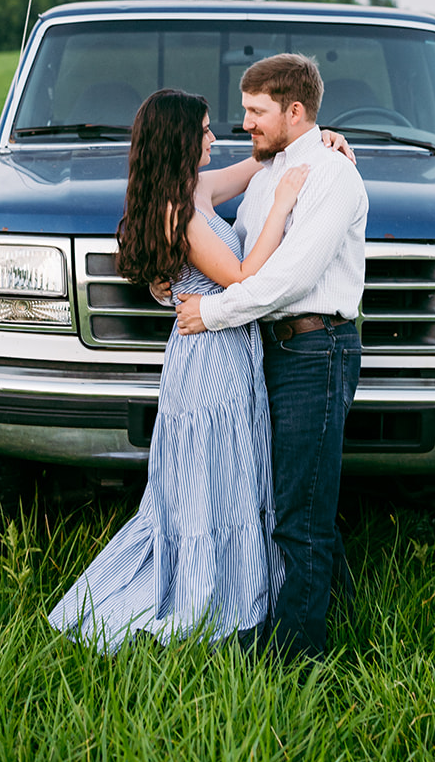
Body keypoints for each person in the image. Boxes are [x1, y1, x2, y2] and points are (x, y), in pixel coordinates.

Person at [47, 88, 354, 651]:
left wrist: (322, 138)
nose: (217, 137)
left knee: (233, 474)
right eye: (206, 130)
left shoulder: (197, 188)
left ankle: (242, 585)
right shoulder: (179, 212)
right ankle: (211, 593)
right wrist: (283, 204)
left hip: (228, 350)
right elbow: (240, 275)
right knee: (214, 477)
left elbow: (257, 160)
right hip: (210, 356)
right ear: (180, 139)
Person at [175, 54, 367, 660]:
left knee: (301, 508)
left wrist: (212, 314)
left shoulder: (329, 175)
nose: (245, 122)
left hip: (317, 348)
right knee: (291, 493)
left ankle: (297, 651)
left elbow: (288, 277)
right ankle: (325, 613)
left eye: (257, 112)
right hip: (275, 351)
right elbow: (234, 247)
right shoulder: (269, 174)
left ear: (294, 111)